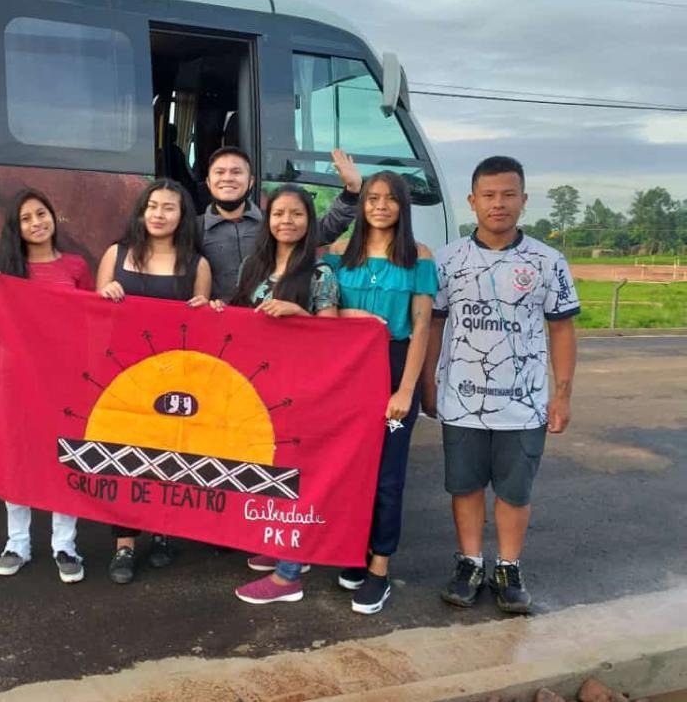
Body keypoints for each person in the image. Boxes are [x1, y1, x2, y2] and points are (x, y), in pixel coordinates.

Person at [422, 156, 579, 614]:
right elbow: (433, 324)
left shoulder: (548, 262)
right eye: (488, 195)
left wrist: (562, 394)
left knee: (514, 491)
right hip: (462, 399)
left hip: (524, 404)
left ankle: (509, 568)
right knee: (465, 486)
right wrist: (431, 383)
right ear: (472, 201)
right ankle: (469, 563)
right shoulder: (449, 260)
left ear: (523, 201)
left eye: (508, 195)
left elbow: (562, 330)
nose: (498, 204)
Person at [214, 184, 339, 605]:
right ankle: (281, 543)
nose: (287, 221)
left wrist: (298, 312)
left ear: (309, 222)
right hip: (255, 389)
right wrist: (214, 309)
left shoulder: (320, 275)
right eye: (279, 213)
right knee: (268, 469)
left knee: (295, 474)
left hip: (300, 390)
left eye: (297, 214)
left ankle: (289, 576)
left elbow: (332, 337)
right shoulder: (253, 265)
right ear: (268, 221)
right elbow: (236, 317)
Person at [323, 171, 436, 615]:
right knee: (351, 472)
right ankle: (355, 552)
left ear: (402, 206)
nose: (380, 206)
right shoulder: (338, 253)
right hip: (349, 374)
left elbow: (423, 326)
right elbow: (325, 309)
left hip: (393, 368)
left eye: (390, 199)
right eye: (372, 198)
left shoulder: (418, 257)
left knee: (388, 476)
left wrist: (406, 390)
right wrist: (352, 313)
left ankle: (379, 568)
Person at [0, 188, 94, 584]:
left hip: (66, 381)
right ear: (16, 228)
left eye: (41, 214)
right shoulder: (5, 271)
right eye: (26, 218)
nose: (36, 223)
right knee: (17, 457)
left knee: (65, 457)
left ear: (53, 217)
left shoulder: (75, 266)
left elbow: (94, 319)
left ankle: (65, 544)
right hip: (15, 380)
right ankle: (17, 542)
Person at [97, 178, 212, 583]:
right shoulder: (116, 254)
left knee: (170, 456)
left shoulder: (197, 264)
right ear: (141, 211)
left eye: (169, 208)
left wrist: (206, 308)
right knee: (125, 457)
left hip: (175, 377)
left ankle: (164, 531)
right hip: (124, 376)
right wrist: (106, 294)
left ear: (183, 217)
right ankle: (124, 543)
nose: (159, 214)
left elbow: (202, 331)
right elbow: (94, 318)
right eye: (153, 206)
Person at [200, 147, 362, 302]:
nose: (227, 178)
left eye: (236, 172)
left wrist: (352, 191)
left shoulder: (275, 224)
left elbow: (324, 229)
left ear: (250, 182)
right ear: (208, 182)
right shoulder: (193, 229)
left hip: (273, 322)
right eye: (219, 172)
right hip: (215, 324)